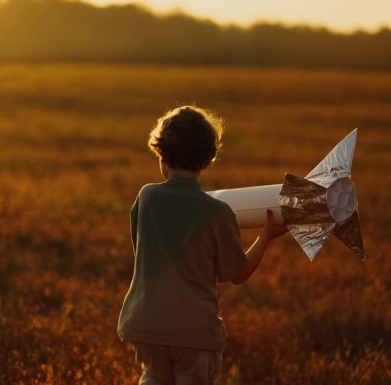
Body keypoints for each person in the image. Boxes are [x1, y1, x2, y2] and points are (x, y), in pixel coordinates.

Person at [117, 105, 287, 385]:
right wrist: (266, 235)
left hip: (147, 326)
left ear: (161, 154)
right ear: (209, 159)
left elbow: (143, 252)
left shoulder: (146, 198)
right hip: (194, 334)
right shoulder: (218, 213)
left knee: (154, 378)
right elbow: (237, 273)